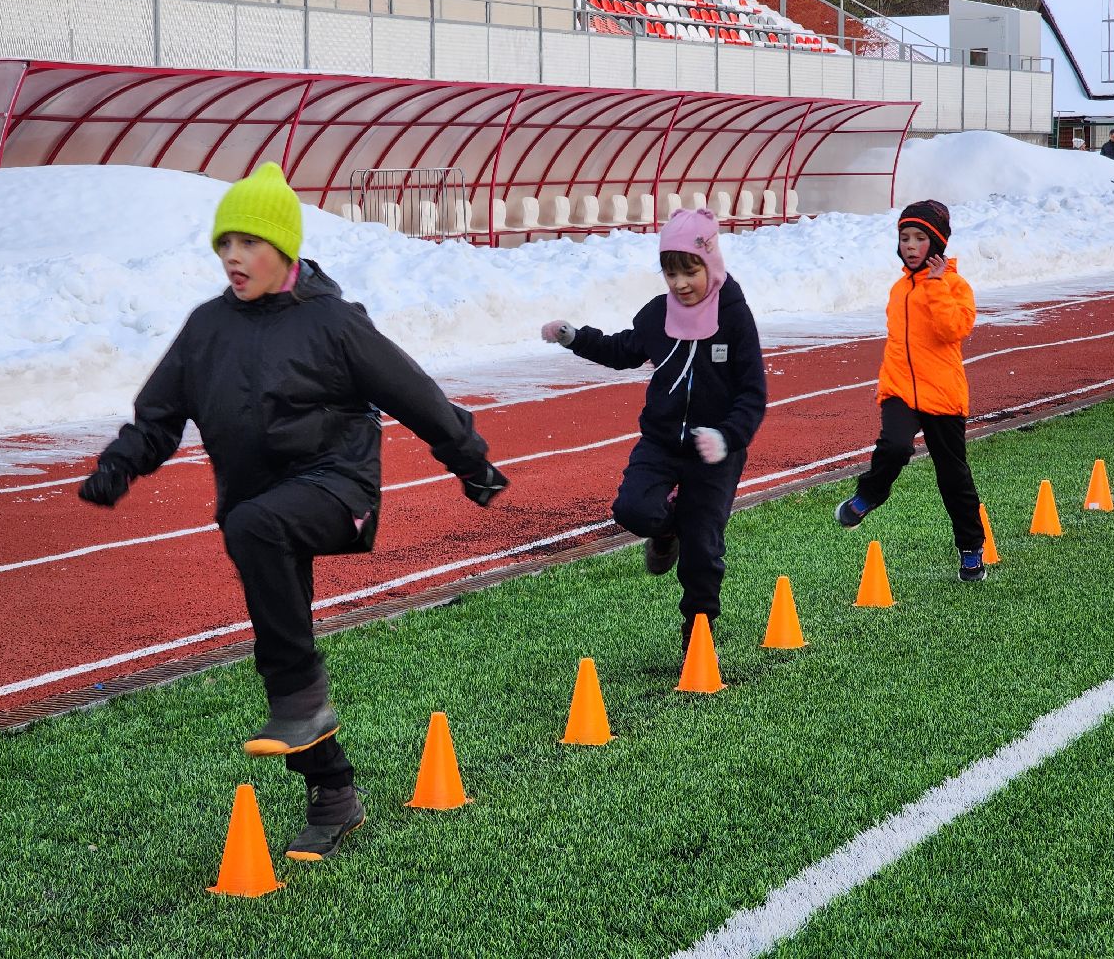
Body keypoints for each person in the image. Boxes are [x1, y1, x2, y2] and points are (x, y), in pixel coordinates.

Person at [78, 163, 508, 861]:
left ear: (282, 246)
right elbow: (157, 417)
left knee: (264, 571)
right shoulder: (206, 328)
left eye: (247, 243)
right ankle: (333, 793)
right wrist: (119, 466)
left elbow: (415, 395)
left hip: (338, 493)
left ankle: (307, 712)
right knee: (282, 648)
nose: (232, 258)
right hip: (263, 513)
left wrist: (471, 462)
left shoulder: (333, 323)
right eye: (224, 244)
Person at [540, 208, 767, 652]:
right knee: (633, 510)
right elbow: (622, 349)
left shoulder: (734, 317)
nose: (681, 284)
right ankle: (667, 531)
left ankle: (698, 630)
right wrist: (573, 337)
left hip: (714, 452)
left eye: (690, 271)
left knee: (704, 547)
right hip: (662, 441)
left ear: (711, 264)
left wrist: (727, 436)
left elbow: (753, 393)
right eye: (670, 273)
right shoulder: (659, 314)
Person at [834, 200, 987, 582]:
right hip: (900, 389)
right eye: (905, 238)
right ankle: (868, 496)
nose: (911, 245)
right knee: (895, 447)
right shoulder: (898, 289)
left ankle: (971, 549)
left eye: (920, 238)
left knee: (953, 476)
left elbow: (954, 331)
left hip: (943, 393)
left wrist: (935, 288)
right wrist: (888, 381)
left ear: (936, 243)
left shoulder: (955, 286)